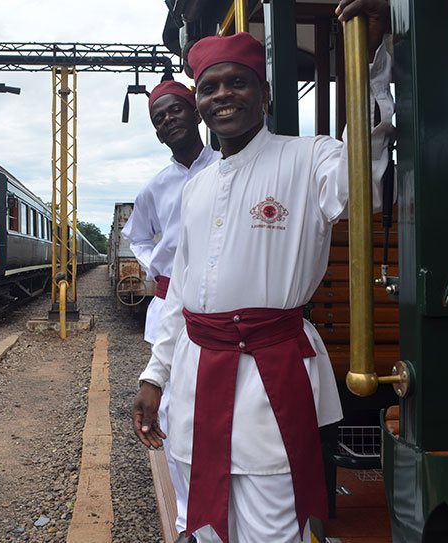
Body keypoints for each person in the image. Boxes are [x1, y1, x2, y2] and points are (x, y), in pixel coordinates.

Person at [132, 1, 394, 542]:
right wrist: (155, 376)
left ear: (266, 94)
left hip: (270, 383)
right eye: (210, 88)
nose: (222, 95)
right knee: (203, 524)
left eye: (238, 83)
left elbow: (359, 173)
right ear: (200, 103)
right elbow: (181, 291)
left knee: (275, 527)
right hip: (196, 379)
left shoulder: (311, 157)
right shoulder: (198, 186)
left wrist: (371, 56)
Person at [122, 79, 219, 543]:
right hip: (168, 306)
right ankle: (187, 523)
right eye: (158, 118)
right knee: (176, 412)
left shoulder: (226, 167)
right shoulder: (154, 188)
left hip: (219, 304)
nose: (168, 120)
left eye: (174, 111)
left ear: (196, 113)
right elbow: (136, 236)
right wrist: (157, 262)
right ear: (157, 133)